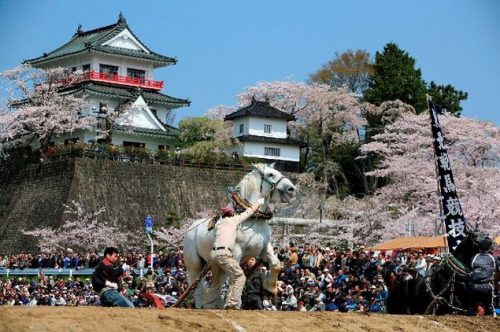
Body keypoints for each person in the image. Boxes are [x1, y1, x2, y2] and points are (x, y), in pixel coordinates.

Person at [205, 200, 262, 309]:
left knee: (216, 282)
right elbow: (248, 212)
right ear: (231, 214)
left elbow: (211, 224)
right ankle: (233, 303)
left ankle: (208, 305)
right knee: (240, 277)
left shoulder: (218, 223)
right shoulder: (233, 220)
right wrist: (257, 204)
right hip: (224, 254)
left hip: (213, 254)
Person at [468, 237, 496, 316]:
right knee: (490, 306)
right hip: (487, 286)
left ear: (479, 248)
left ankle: (471, 315)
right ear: (488, 248)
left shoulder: (474, 257)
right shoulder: (492, 258)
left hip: (474, 286)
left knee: (472, 306)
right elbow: (493, 270)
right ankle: (492, 316)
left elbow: (472, 268)